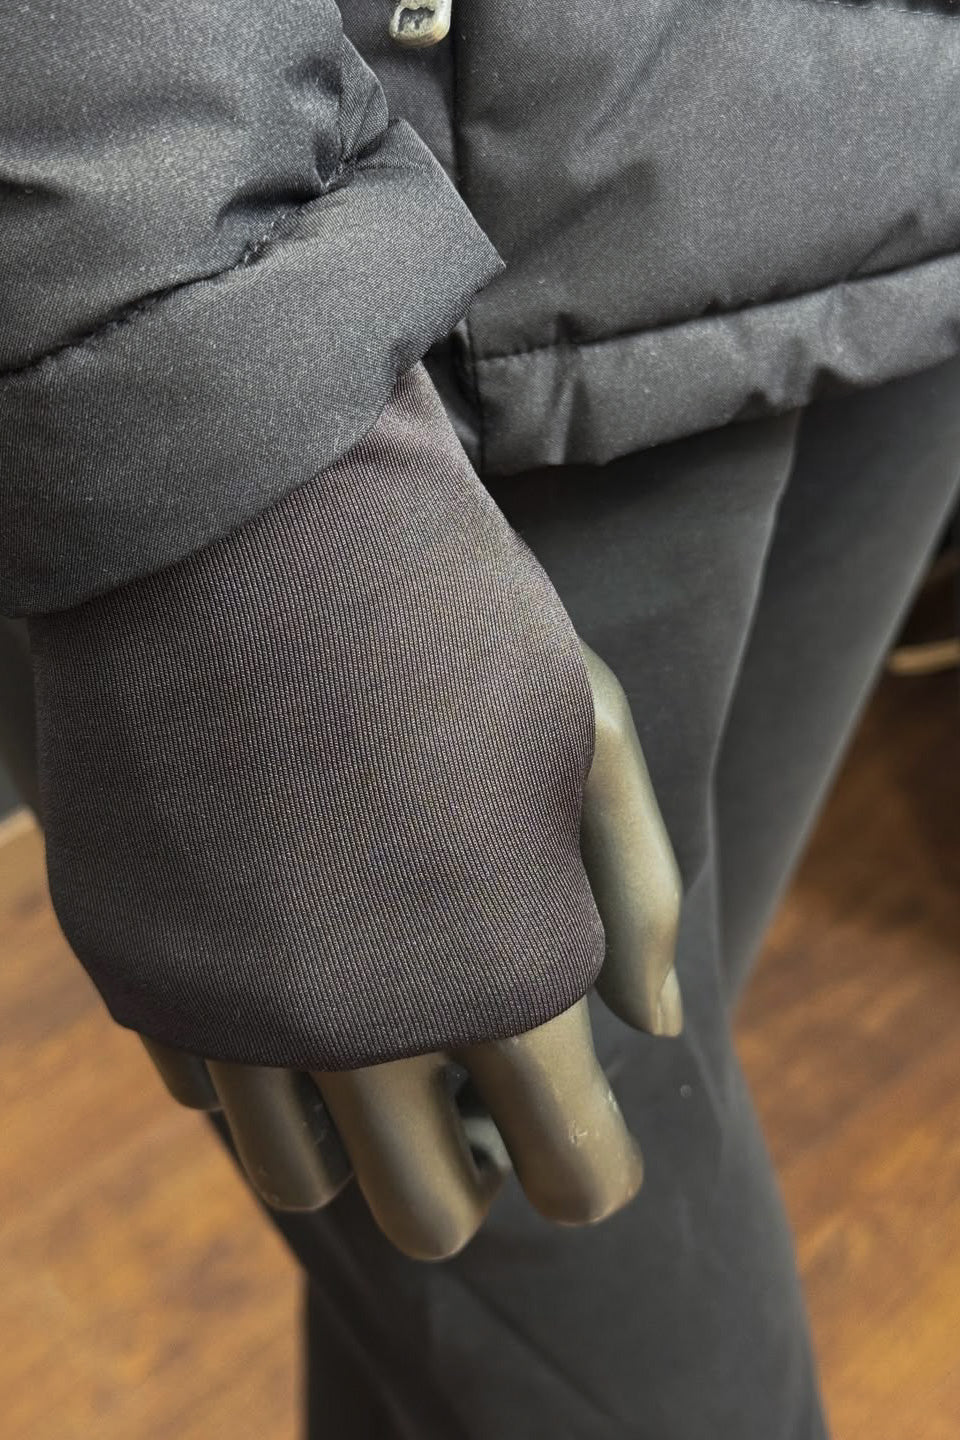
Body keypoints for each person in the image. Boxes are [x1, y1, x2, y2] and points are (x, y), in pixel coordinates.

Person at [3, 3, 959, 1436]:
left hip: (872, 145)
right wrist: (166, 342)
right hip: (384, 304)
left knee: (468, 1310)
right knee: (581, 1290)